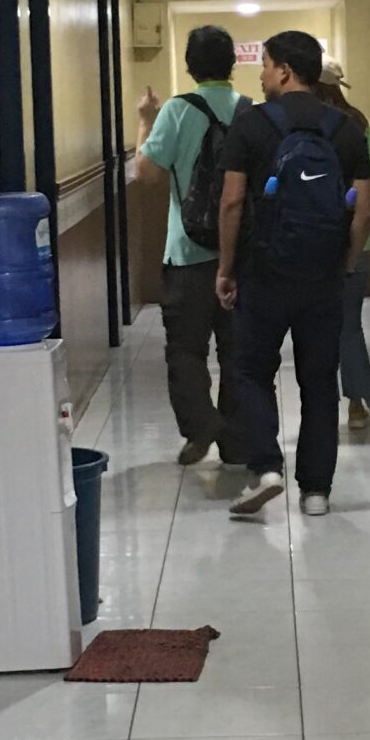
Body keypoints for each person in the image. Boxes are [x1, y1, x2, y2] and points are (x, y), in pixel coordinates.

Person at [216, 30, 370, 518]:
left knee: (251, 371)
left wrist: (226, 268)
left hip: (263, 272)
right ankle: (316, 491)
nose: (261, 75)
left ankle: (267, 467)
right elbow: (365, 208)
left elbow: (232, 201)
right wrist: (346, 263)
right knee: (319, 380)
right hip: (322, 277)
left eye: (265, 65)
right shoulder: (346, 127)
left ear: (284, 70)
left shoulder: (251, 124)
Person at [135, 24, 245, 466]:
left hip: (187, 254)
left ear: (189, 66)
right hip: (240, 255)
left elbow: (147, 174)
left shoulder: (177, 111)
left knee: (185, 349)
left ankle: (201, 427)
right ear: (232, 63)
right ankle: (236, 441)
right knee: (238, 352)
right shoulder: (250, 111)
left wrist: (146, 120)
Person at [316, 57, 370, 430]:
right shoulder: (359, 124)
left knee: (311, 328)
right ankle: (356, 405)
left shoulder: (300, 125)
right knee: (349, 326)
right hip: (356, 239)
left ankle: (317, 405)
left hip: (309, 239)